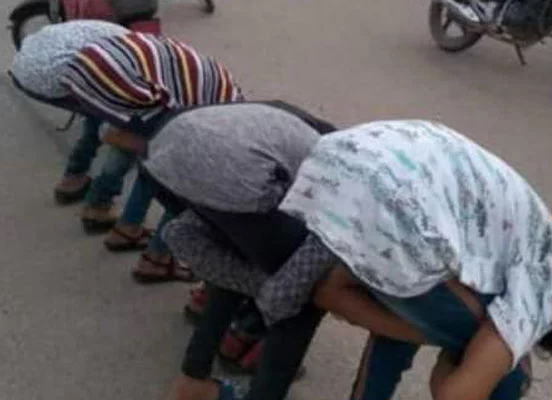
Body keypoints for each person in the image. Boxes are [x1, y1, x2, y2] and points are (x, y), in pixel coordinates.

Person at [264, 119, 552, 400]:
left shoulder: (514, 244)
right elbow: (454, 395)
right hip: (402, 206)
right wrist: (458, 351)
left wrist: (421, 330)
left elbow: (331, 294)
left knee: (418, 306)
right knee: (503, 367)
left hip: (343, 161)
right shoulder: (546, 294)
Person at [134, 101, 336, 400]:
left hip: (162, 155)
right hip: (237, 176)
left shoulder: (295, 125)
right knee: (303, 294)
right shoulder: (338, 172)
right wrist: (291, 289)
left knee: (235, 252)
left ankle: (192, 378)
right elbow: (315, 250)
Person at [58, 30, 243, 281]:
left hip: (109, 70)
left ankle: (119, 222)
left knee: (152, 159)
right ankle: (155, 258)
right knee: (183, 184)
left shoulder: (220, 99)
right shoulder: (223, 118)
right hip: (146, 86)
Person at [10, 20, 130, 206]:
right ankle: (95, 197)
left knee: (99, 110)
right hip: (51, 74)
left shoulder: (122, 38)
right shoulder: (123, 57)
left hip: (24, 64)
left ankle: (75, 177)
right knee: (122, 129)